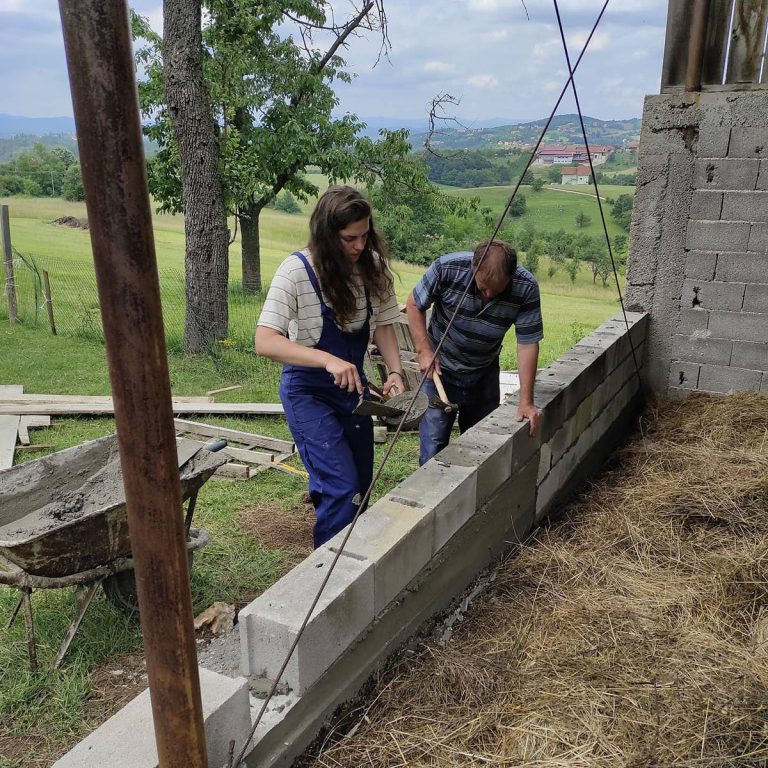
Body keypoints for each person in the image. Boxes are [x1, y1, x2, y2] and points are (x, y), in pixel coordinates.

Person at [255, 186, 405, 548]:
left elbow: (384, 325)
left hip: (352, 392)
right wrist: (327, 359)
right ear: (326, 236)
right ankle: (324, 573)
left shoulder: (373, 267)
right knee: (340, 485)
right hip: (308, 392)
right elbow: (265, 341)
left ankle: (352, 559)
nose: (358, 246)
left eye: (365, 235)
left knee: (361, 485)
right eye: (348, 238)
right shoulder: (297, 270)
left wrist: (396, 372)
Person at [406, 239, 543, 466]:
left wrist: (526, 402)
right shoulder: (447, 269)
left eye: (497, 290)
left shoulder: (525, 287)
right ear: (474, 267)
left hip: (483, 372)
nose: (489, 295)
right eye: (483, 288)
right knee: (433, 446)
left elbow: (527, 343)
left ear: (511, 276)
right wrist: (424, 351)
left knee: (480, 446)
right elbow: (414, 304)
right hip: (440, 370)